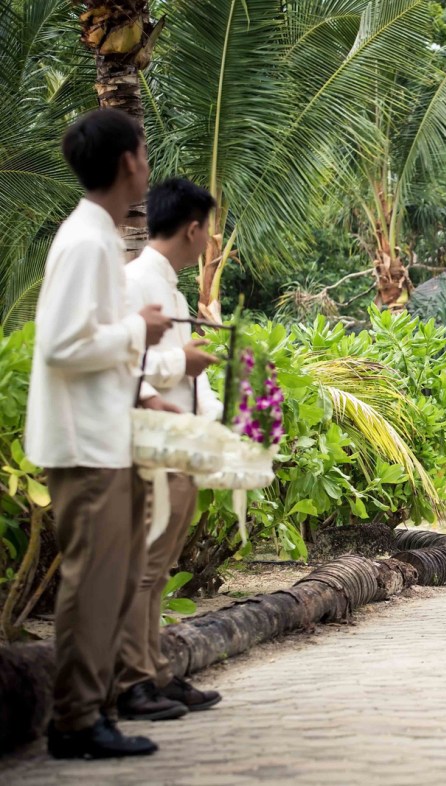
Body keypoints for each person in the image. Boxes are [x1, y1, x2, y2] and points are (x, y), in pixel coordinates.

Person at [25, 108, 175, 759]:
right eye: (144, 152)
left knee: (110, 581)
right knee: (92, 585)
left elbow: (93, 345)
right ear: (128, 163)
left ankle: (93, 711)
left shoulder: (99, 238)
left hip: (105, 437)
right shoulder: (86, 242)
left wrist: (141, 377)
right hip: (85, 444)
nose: (148, 164)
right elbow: (62, 346)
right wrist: (141, 328)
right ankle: (76, 721)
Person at [113, 178, 224, 721]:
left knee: (159, 565)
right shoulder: (135, 282)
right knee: (145, 564)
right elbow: (122, 362)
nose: (211, 243)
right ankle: (133, 681)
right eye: (209, 230)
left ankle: (154, 670)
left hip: (180, 443)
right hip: (153, 443)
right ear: (193, 229)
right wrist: (183, 364)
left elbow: (181, 371)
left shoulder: (174, 291)